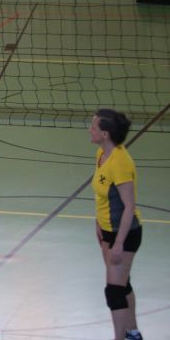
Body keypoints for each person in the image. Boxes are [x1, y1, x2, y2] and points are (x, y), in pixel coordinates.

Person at [89, 109, 145, 340]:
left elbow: (129, 207)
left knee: (114, 292)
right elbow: (103, 196)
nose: (90, 130)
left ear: (105, 134)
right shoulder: (102, 153)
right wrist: (98, 223)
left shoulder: (120, 162)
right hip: (108, 231)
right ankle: (133, 333)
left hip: (124, 234)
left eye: (93, 127)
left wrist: (119, 243)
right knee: (123, 284)